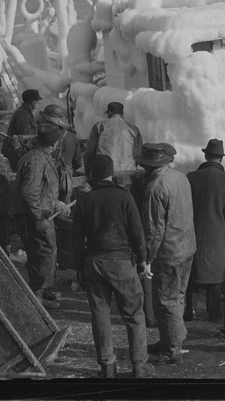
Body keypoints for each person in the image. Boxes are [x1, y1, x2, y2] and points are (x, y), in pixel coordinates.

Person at [72, 154, 151, 379]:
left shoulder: (84, 200)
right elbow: (137, 233)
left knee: (100, 315)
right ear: (112, 173)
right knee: (134, 315)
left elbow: (76, 238)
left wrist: (79, 267)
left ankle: (107, 367)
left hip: (94, 262)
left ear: (91, 175)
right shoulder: (124, 197)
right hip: (122, 263)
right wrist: (143, 261)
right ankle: (138, 366)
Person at [138, 142, 196, 365]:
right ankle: (171, 341)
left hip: (169, 252)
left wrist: (147, 259)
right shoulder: (181, 177)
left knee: (165, 300)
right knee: (178, 296)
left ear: (147, 165)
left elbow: (154, 230)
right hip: (187, 247)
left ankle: (172, 348)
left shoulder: (155, 187)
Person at [10, 119, 72, 307]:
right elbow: (30, 192)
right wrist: (38, 218)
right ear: (54, 144)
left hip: (40, 211)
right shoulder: (37, 160)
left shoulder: (40, 157)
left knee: (45, 251)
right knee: (41, 253)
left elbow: (44, 190)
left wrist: (56, 203)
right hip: (33, 215)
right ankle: (37, 296)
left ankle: (44, 290)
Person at [185, 138, 225, 322]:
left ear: (206, 155)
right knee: (215, 274)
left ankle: (189, 311)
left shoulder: (191, 177)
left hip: (191, 230)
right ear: (221, 158)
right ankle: (213, 312)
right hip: (216, 234)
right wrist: (221, 225)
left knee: (191, 270)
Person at [85, 101, 143, 177]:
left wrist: (87, 171)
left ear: (109, 112)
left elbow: (89, 151)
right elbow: (139, 152)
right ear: (122, 113)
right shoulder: (133, 128)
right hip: (128, 172)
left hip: (105, 172)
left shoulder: (100, 126)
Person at [4, 89, 42, 168]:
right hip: (17, 154)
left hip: (18, 153)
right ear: (31, 101)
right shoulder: (23, 114)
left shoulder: (26, 112)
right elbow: (25, 139)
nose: (38, 102)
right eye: (36, 100)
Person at [44, 103, 83, 177]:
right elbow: (77, 162)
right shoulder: (72, 136)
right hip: (67, 178)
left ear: (46, 119)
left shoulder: (43, 136)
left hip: (47, 178)